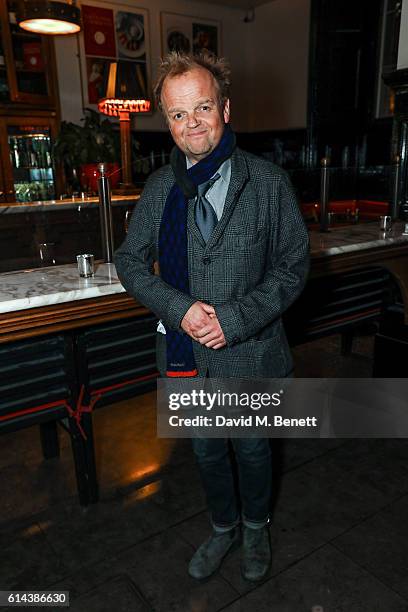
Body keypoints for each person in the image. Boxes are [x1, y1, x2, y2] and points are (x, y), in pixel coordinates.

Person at [114, 52, 309, 582]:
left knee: (251, 450)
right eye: (177, 114)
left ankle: (255, 525)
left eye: (202, 107)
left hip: (250, 352)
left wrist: (235, 318)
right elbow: (128, 261)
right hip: (184, 358)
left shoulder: (267, 184)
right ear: (166, 121)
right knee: (205, 453)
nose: (191, 122)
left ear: (225, 107)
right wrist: (178, 309)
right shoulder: (158, 189)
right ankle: (222, 527)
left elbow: (294, 268)